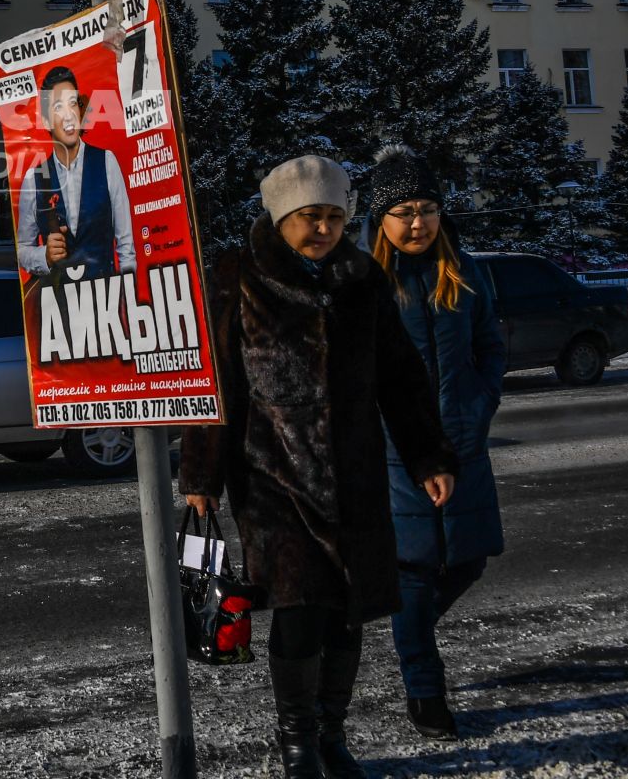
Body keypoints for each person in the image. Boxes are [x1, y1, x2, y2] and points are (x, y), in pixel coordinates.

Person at [180, 154, 458, 779]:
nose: (325, 228)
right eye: (311, 217)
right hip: (274, 479)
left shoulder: (363, 281)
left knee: (348, 614)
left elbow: (402, 378)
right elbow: (216, 384)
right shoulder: (239, 277)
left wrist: (427, 456)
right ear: (281, 218)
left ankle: (333, 732)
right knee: (300, 610)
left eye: (335, 216)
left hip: (356, 477)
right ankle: (298, 740)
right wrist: (202, 477)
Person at [364, 145, 507, 741]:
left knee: (468, 562)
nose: (416, 222)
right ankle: (425, 692)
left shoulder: (467, 272)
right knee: (417, 571)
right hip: (397, 453)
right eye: (402, 211)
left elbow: (491, 348)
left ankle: (408, 626)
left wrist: (479, 406)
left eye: (426, 208)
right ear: (382, 220)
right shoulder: (364, 281)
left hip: (462, 444)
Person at [14, 65, 135, 281]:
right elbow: (22, 249)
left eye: (73, 104)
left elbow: (126, 247)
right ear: (46, 121)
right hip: (59, 308)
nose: (69, 115)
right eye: (58, 107)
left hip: (106, 303)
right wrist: (45, 256)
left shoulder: (107, 162)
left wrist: (126, 296)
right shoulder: (34, 180)